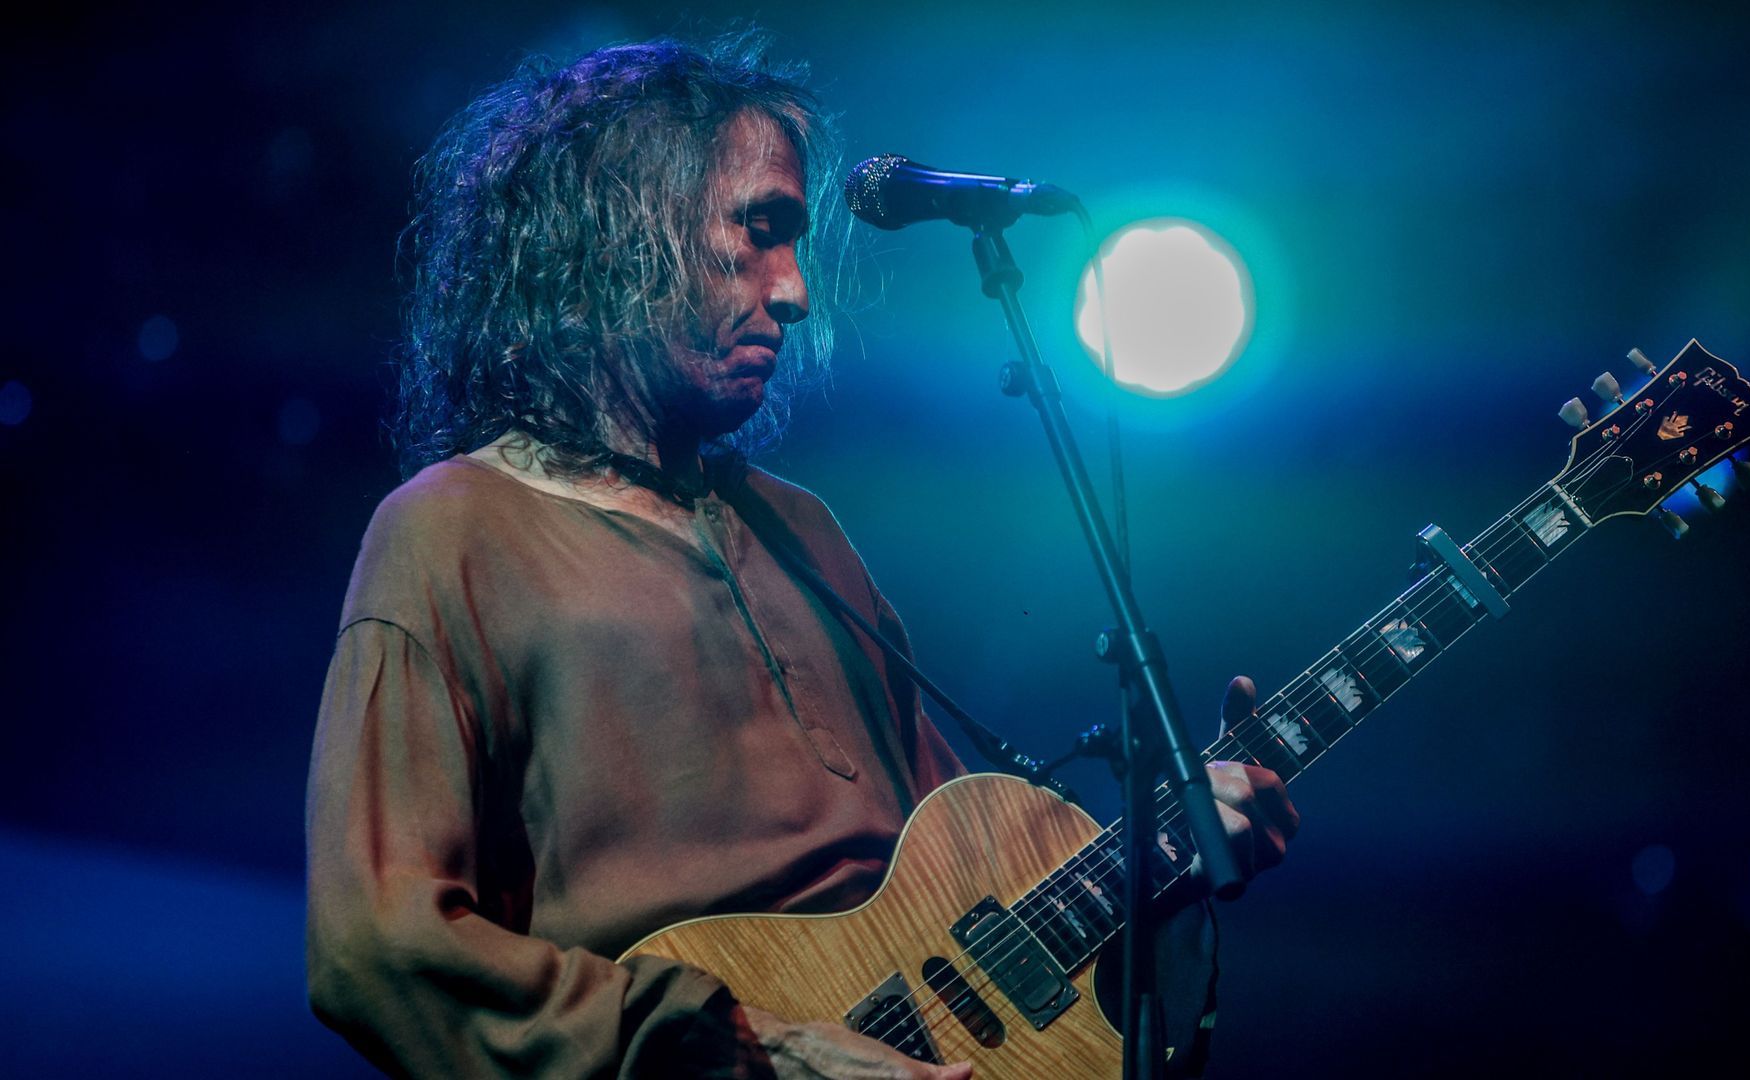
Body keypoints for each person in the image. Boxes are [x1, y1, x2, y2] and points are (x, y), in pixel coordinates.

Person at [305, 35, 1298, 1078]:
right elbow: (378, 945)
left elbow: (969, 911)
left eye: (798, 243)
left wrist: (1169, 851)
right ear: (617, 235)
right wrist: (749, 1050)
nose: (795, 294)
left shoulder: (802, 530)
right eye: (760, 231)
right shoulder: (453, 528)